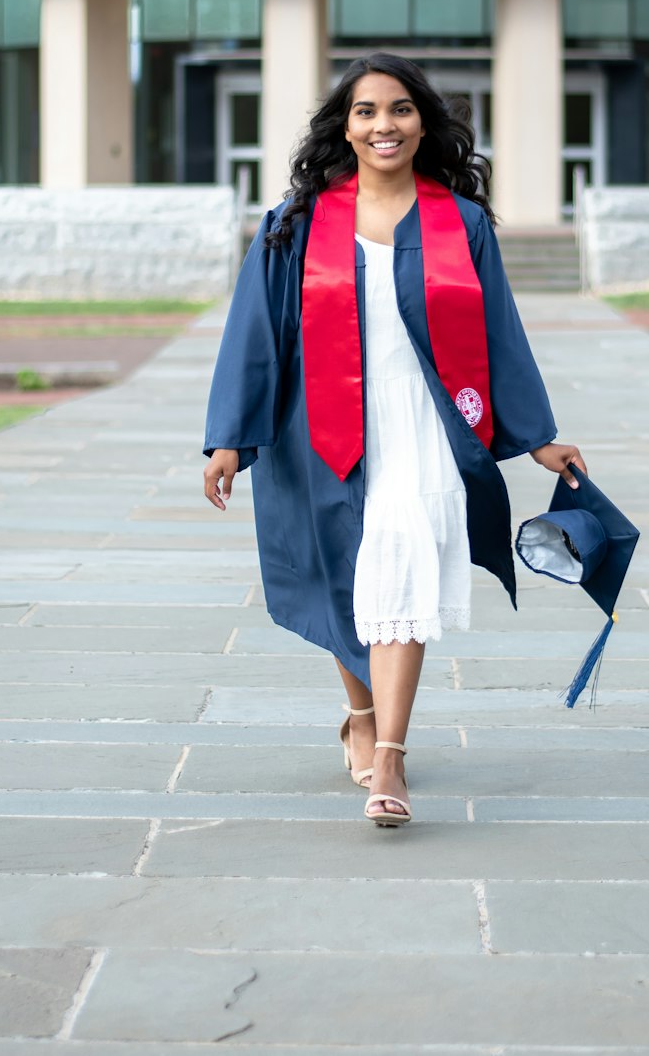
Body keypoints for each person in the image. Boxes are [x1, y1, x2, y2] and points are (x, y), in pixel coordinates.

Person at [204, 53, 585, 827]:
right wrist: (229, 439)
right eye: (368, 111)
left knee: (402, 570)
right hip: (319, 425)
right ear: (343, 127)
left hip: (422, 426)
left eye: (401, 109)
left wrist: (538, 436)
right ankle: (360, 713)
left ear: (424, 121)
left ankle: (391, 759)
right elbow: (255, 332)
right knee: (344, 580)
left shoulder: (461, 222)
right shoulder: (297, 222)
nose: (386, 125)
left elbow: (499, 332)